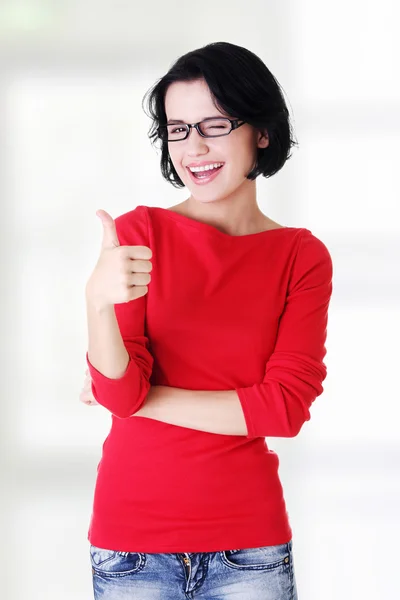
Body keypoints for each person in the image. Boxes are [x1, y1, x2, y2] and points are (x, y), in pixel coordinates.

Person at [83, 41, 333, 600]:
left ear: (261, 132)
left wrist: (145, 397)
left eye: (214, 124)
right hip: (131, 545)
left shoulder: (300, 257)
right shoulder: (138, 235)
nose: (194, 147)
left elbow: (285, 407)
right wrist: (97, 303)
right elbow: (120, 391)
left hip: (249, 546)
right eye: (178, 129)